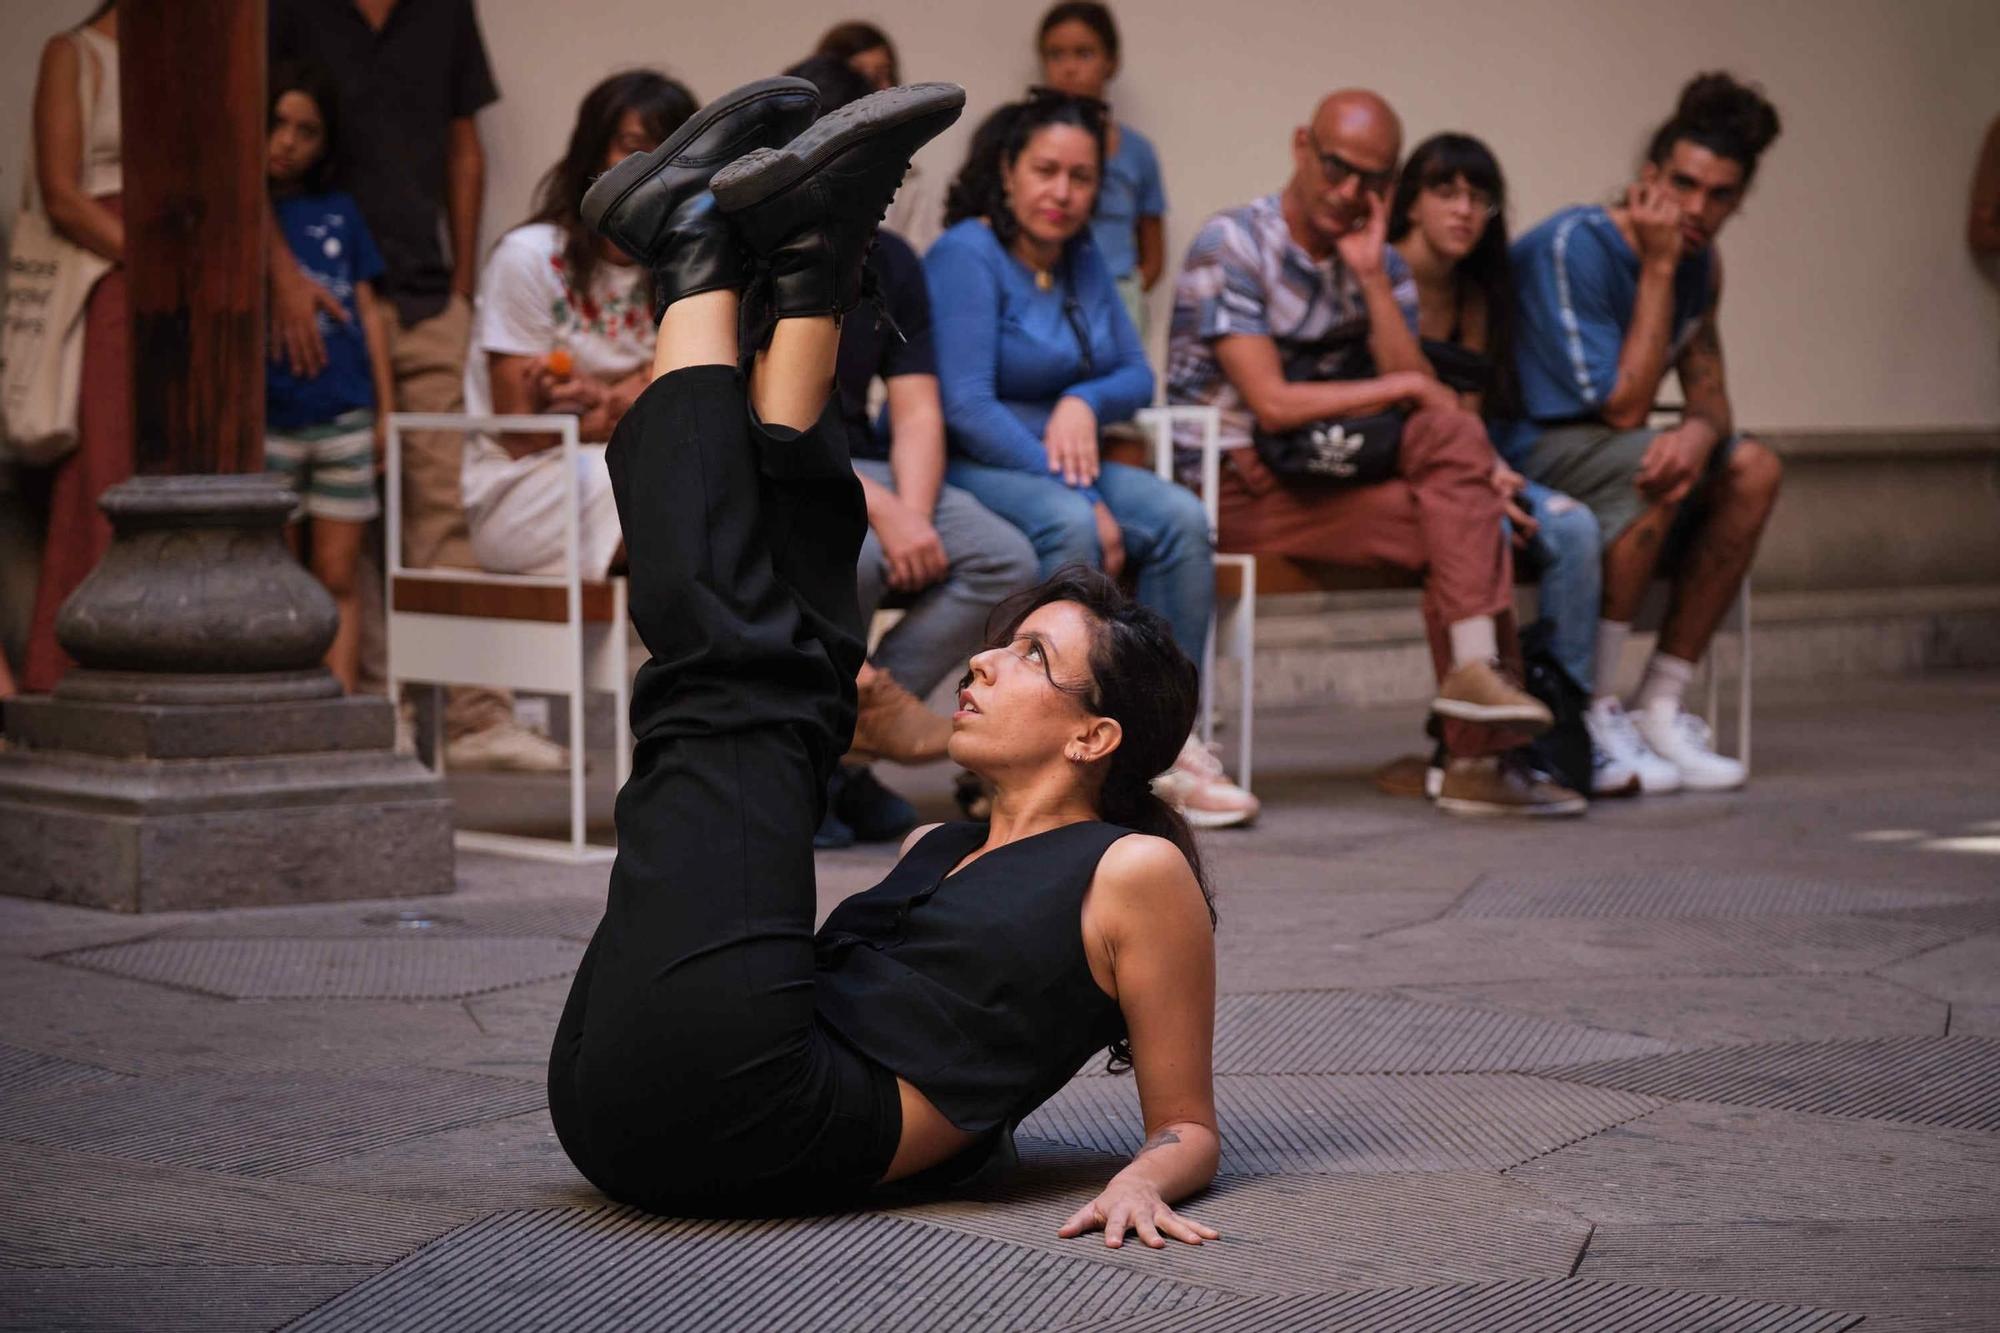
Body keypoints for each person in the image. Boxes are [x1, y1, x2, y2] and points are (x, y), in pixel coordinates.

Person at [548, 79, 1222, 1245]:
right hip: (653, 1095)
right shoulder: (935, 844)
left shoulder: (1133, 874)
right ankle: (813, 266)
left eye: (1026, 657)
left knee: (732, 688)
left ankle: (694, 257)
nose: (983, 666)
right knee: (801, 670)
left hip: (748, 1111)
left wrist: (1140, 1180)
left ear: (1094, 734)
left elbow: (1186, 1120)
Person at [1166, 89, 1571, 816]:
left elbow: (1422, 405)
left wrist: (1375, 279)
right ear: (1300, 147)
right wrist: (1404, 387)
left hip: (1334, 480)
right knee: (1468, 511)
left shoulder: (1378, 262)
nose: (1351, 192)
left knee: (1461, 493)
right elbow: (1274, 403)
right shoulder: (1232, 243)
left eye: (1373, 180)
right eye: (1337, 168)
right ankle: (1482, 758)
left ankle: (1475, 688)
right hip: (1241, 486)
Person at [927, 91, 1257, 828]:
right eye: (1046, 170)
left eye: (1082, 178)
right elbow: (968, 405)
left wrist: (1082, 403)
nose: (1063, 193)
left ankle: (1169, 746)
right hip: (981, 463)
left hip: (1066, 465)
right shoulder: (965, 255)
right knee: (1069, 527)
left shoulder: (1081, 258)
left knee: (1179, 518)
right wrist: (1074, 489)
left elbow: (1134, 373)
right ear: (1006, 169)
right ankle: (1029, 763)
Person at [268, 0, 560, 771]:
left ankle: (474, 715)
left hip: (427, 295)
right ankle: (372, 713)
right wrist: (280, 276)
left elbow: (465, 148)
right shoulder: (290, 11)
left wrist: (463, 283)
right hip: (319, 303)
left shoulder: (444, 12)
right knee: (343, 518)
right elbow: (250, 136)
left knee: (444, 501)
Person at [784, 56, 1039, 848]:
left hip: (876, 468)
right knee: (852, 558)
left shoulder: (889, 258)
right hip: (790, 467)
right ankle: (812, 775)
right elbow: (774, 428)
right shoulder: (763, 254)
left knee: (1003, 558)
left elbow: (919, 405)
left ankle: (849, 751)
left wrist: (915, 516)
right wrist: (884, 511)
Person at [1507, 72, 1784, 794]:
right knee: (1655, 460)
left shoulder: (1704, 265)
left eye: (1720, 195)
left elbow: (1711, 397)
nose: (1698, 209)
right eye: (1685, 185)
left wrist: (1698, 432)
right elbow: (1624, 409)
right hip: (1523, 449)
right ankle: (1596, 708)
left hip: (1612, 451)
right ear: (1648, 178)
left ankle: (1660, 702)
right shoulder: (1574, 246)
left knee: (1753, 468)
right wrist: (1659, 267)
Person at [1387, 132, 1602, 806]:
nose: (1464, 211)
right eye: (1445, 192)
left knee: (1573, 526)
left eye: (1480, 198)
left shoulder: (1479, 293)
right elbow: (1400, 407)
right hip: (1398, 466)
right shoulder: (1382, 275)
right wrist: (1480, 480)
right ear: (1411, 202)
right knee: (1499, 530)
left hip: (1469, 459)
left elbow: (1468, 417)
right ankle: (1481, 741)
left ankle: (1555, 724)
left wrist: (1488, 473)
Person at [461, 71, 696, 586]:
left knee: (722, 475)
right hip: (527, 488)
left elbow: (693, 397)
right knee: (681, 485)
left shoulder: (688, 265)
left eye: (671, 151)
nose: (651, 168)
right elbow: (522, 435)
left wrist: (608, 400)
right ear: (592, 153)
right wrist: (630, 397)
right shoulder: (530, 258)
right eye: (632, 146)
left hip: (631, 464)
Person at [263, 62, 397, 693]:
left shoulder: (339, 211)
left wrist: (385, 411)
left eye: (306, 131)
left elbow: (369, 312)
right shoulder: (244, 220)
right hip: (271, 420)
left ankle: (340, 712)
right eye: (276, 125)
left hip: (344, 413)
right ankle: (288, 706)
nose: (287, 141)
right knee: (276, 576)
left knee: (338, 575)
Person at [18, 1, 128, 694]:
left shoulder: (183, 70)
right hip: (105, 274)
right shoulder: (76, 52)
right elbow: (60, 193)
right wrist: (147, 262)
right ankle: (78, 665)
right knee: (103, 465)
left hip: (173, 283)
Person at [1036, 2, 1165, 341]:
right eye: (1056, 55)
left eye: (1084, 54)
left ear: (1111, 61)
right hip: (1047, 292)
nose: (1069, 69)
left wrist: (1129, 288)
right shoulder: (1026, 145)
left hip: (1118, 296)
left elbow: (1154, 250)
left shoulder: (1137, 152)